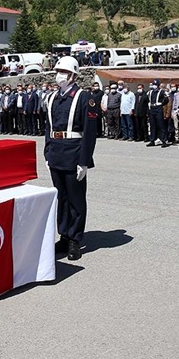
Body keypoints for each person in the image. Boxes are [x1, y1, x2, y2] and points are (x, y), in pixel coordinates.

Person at [44, 56, 98, 261]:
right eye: (58, 72)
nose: (60, 76)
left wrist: (84, 161)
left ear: (74, 75)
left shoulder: (84, 97)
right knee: (62, 198)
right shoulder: (52, 98)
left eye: (64, 73)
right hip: (56, 152)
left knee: (76, 199)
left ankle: (75, 239)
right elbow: (48, 128)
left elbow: (90, 132)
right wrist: (47, 152)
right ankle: (64, 235)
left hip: (74, 152)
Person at [146, 79, 168, 147]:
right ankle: (152, 140)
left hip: (158, 109)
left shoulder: (161, 92)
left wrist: (161, 104)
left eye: (156, 85)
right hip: (152, 109)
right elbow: (147, 100)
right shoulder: (150, 92)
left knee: (161, 125)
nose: (154, 86)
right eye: (154, 85)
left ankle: (164, 140)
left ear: (158, 86)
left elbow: (166, 99)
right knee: (152, 125)